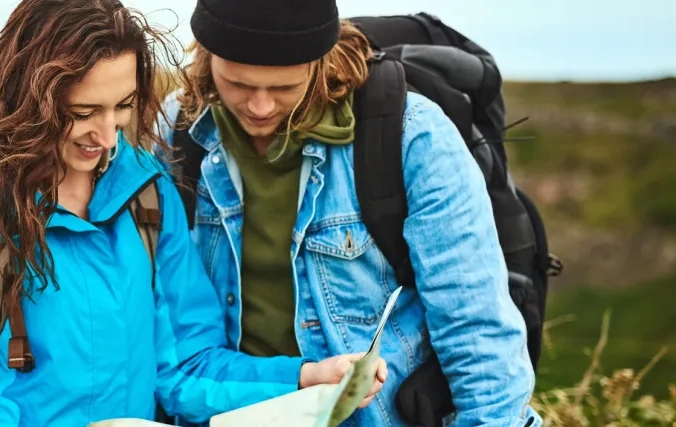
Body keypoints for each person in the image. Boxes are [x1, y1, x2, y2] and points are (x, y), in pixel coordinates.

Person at [0, 0, 385, 426]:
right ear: (26, 101)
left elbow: (185, 366)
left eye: (121, 107)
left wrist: (303, 379)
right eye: (81, 114)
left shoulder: (146, 195)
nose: (106, 137)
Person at [154, 0, 542, 426]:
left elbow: (477, 333)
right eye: (237, 84)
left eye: (284, 88)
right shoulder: (177, 132)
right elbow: (177, 342)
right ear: (206, 59)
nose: (260, 107)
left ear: (319, 62)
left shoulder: (411, 136)